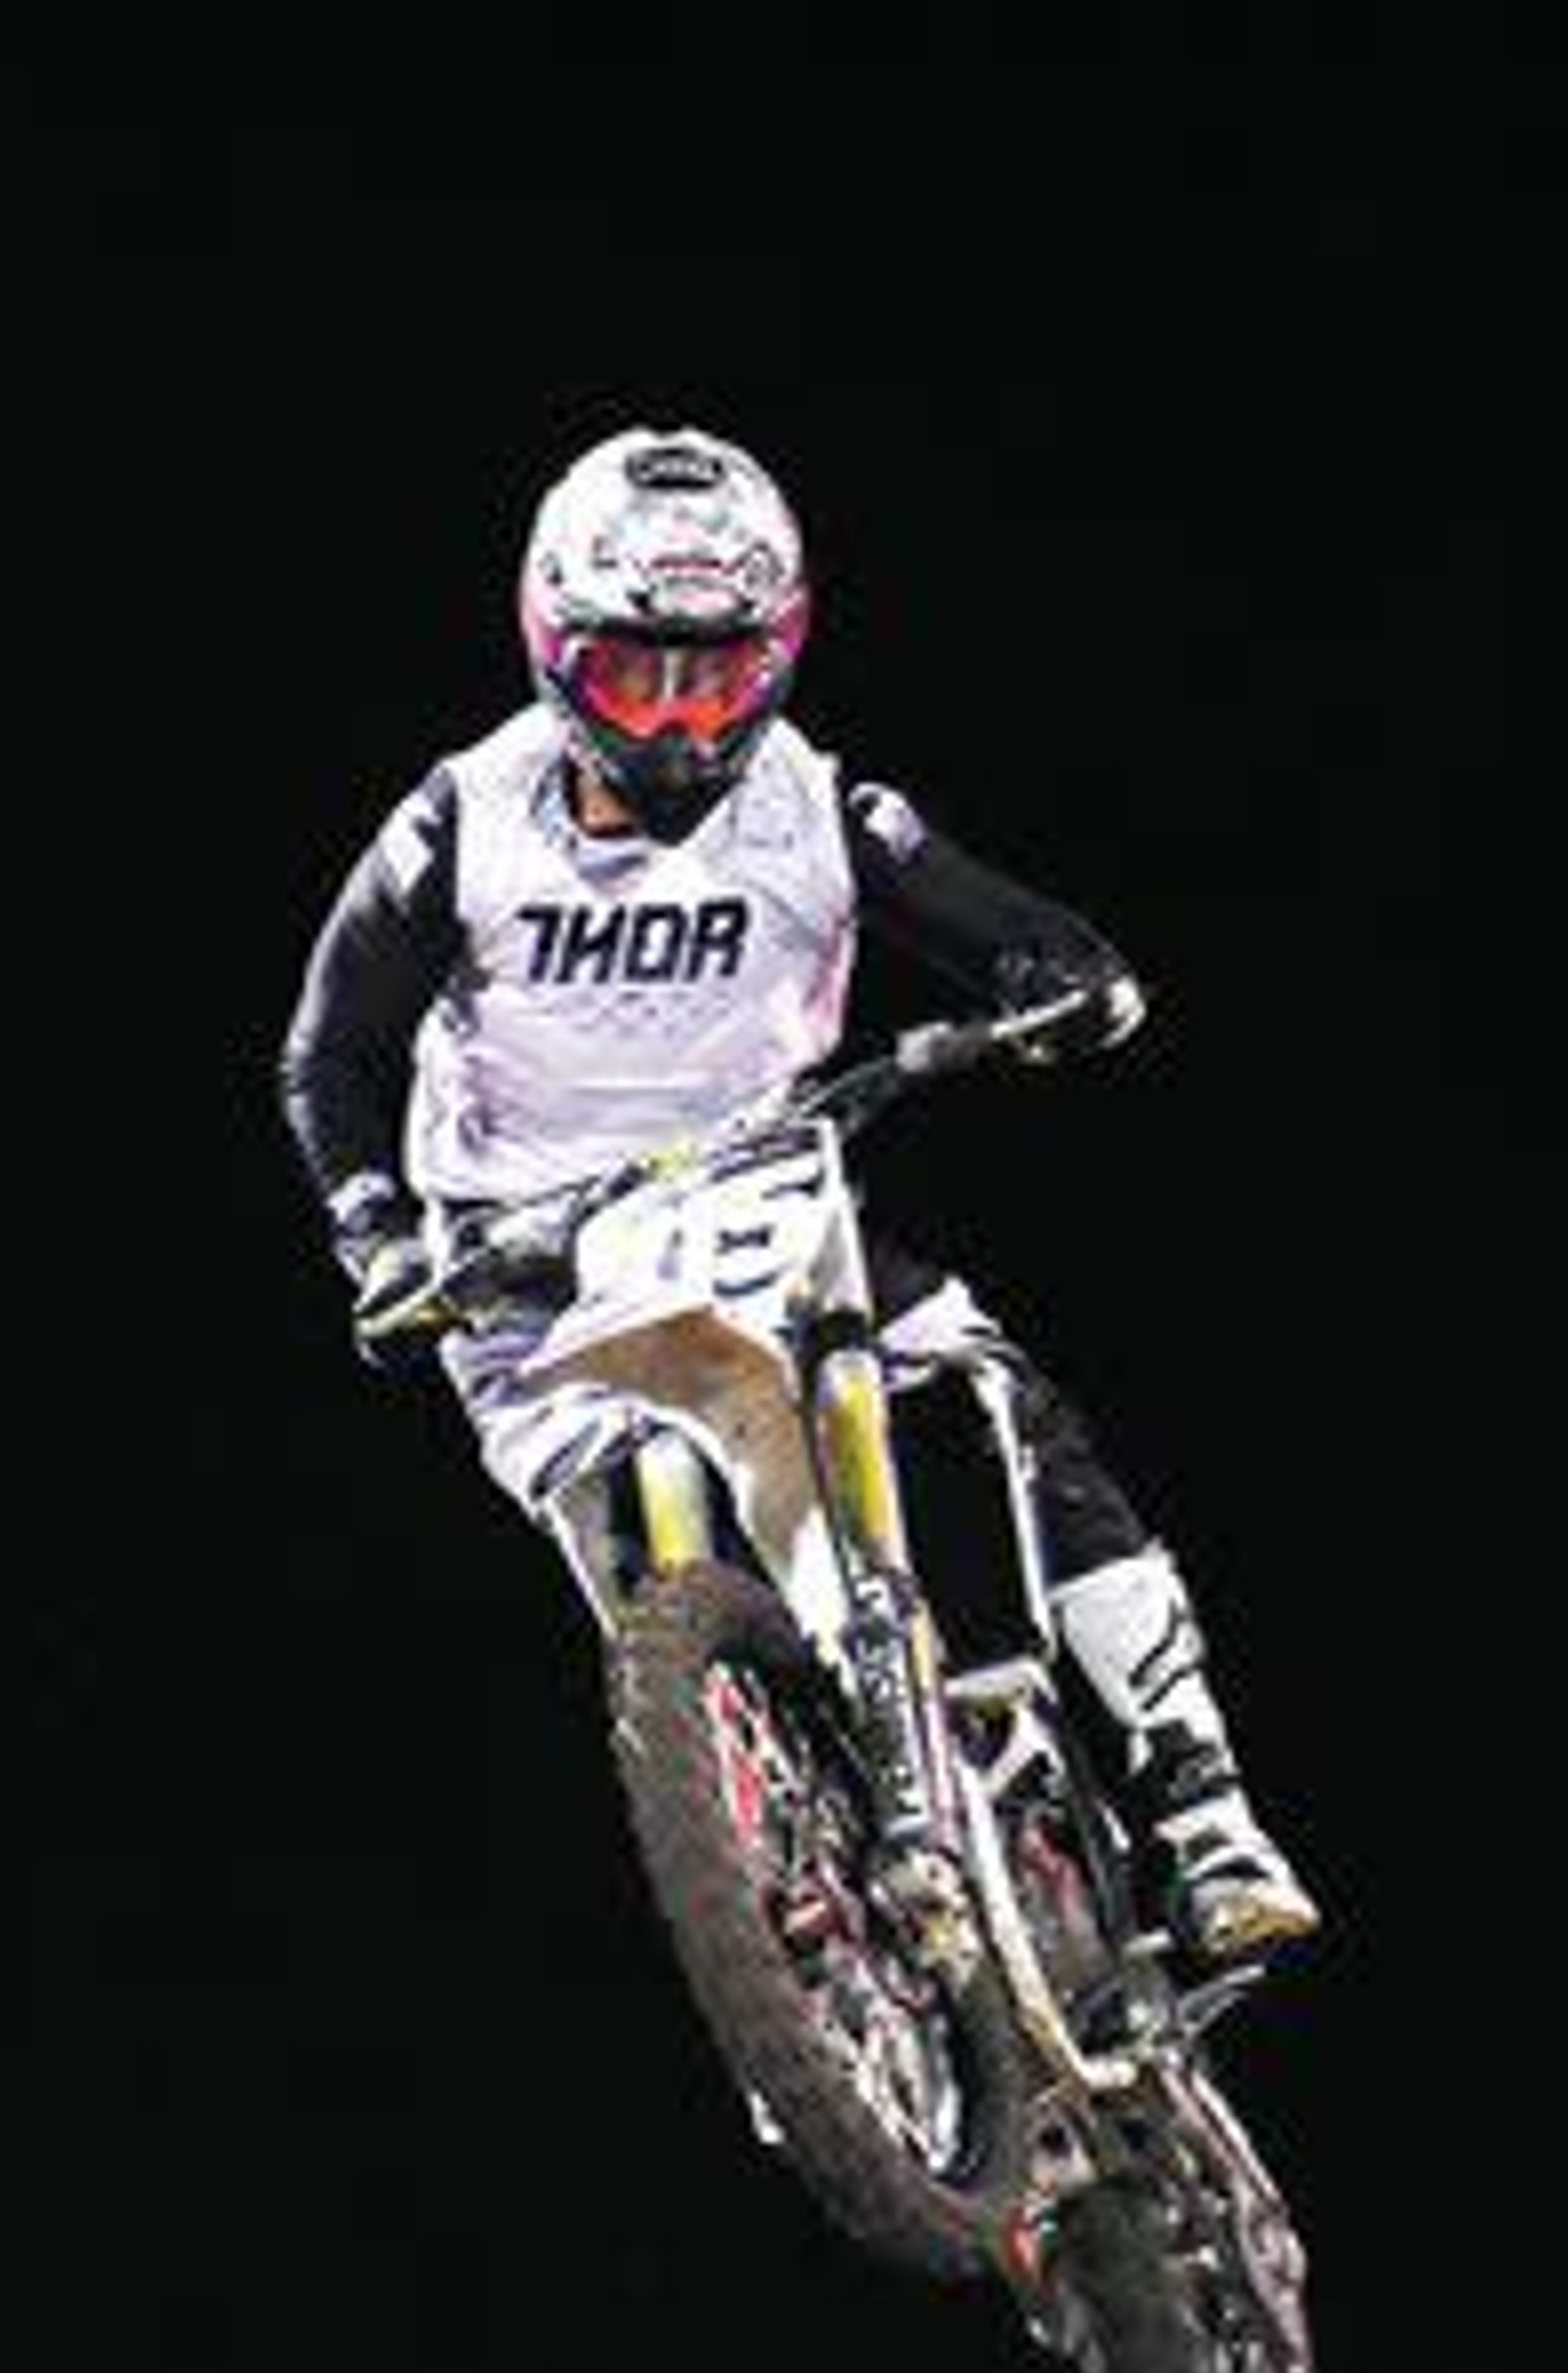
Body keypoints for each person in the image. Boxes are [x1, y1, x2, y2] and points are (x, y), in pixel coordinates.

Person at [277, 425, 1314, 1970]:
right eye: (642, 680)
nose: (688, 723)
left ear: (783, 655)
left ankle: (1201, 1801)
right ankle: (787, 1942)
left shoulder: (823, 810)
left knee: (995, 1401)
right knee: (651, 1596)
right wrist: (376, 1235)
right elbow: (329, 1053)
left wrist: (1067, 983)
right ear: (558, 655)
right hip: (530, 1270)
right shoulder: (460, 821)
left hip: (758, 1204)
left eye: (723, 677)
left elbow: (1018, 932)